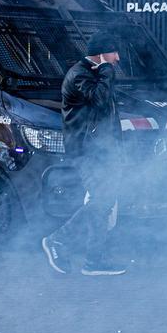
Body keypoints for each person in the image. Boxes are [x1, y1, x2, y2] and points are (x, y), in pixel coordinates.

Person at [42, 32, 128, 277]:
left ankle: (94, 260)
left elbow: (109, 119)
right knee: (101, 200)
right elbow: (99, 100)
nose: (118, 58)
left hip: (104, 152)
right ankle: (57, 240)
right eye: (114, 53)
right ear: (101, 53)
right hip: (87, 152)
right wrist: (105, 71)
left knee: (104, 202)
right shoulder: (79, 74)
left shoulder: (96, 74)